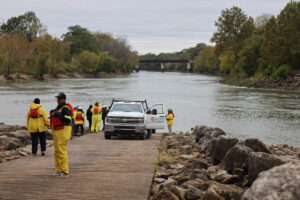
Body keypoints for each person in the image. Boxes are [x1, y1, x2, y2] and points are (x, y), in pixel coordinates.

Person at [50, 92, 72, 177]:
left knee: (62, 151)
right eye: (57, 98)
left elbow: (68, 119)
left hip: (63, 131)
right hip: (57, 131)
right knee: (57, 152)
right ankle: (58, 170)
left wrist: (59, 115)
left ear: (63, 99)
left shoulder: (65, 108)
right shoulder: (58, 108)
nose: (57, 100)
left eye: (59, 98)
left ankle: (65, 171)